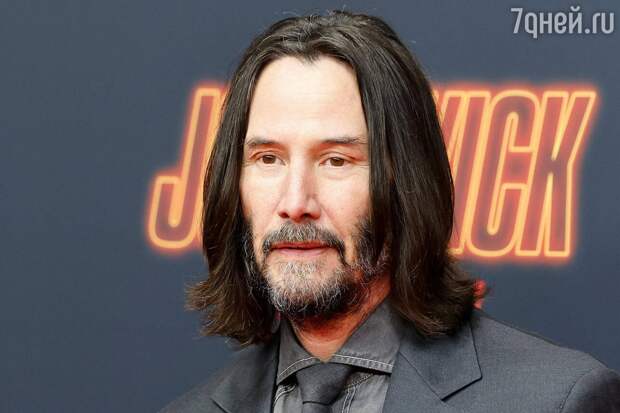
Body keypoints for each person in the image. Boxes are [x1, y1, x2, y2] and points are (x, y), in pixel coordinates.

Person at [160, 10, 620, 413]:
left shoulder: (557, 400)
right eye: (268, 159)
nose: (295, 202)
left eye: (336, 160)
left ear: (407, 178)